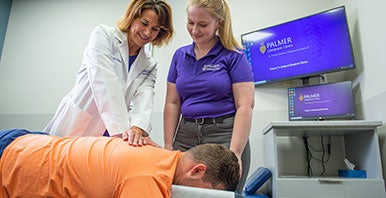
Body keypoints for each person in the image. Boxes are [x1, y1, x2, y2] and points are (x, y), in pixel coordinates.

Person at [44, 0, 174, 146]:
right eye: (144, 23)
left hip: (113, 128)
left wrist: (137, 128)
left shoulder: (150, 64)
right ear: (132, 16)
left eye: (155, 29)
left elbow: (144, 98)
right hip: (82, 122)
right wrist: (125, 131)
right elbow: (105, 83)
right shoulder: (104, 36)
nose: (147, 32)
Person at [163, 0, 254, 193]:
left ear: (218, 23)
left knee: (223, 194)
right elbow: (172, 103)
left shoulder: (234, 55)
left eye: (202, 25)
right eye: (190, 22)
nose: (195, 30)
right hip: (185, 135)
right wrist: (168, 145)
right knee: (177, 192)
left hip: (224, 135)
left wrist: (235, 152)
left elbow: (245, 106)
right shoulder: (180, 56)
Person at [0, 129, 239, 198]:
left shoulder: (158, 155)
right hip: (13, 161)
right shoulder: (148, 180)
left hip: (28, 141)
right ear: (198, 170)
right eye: (208, 194)